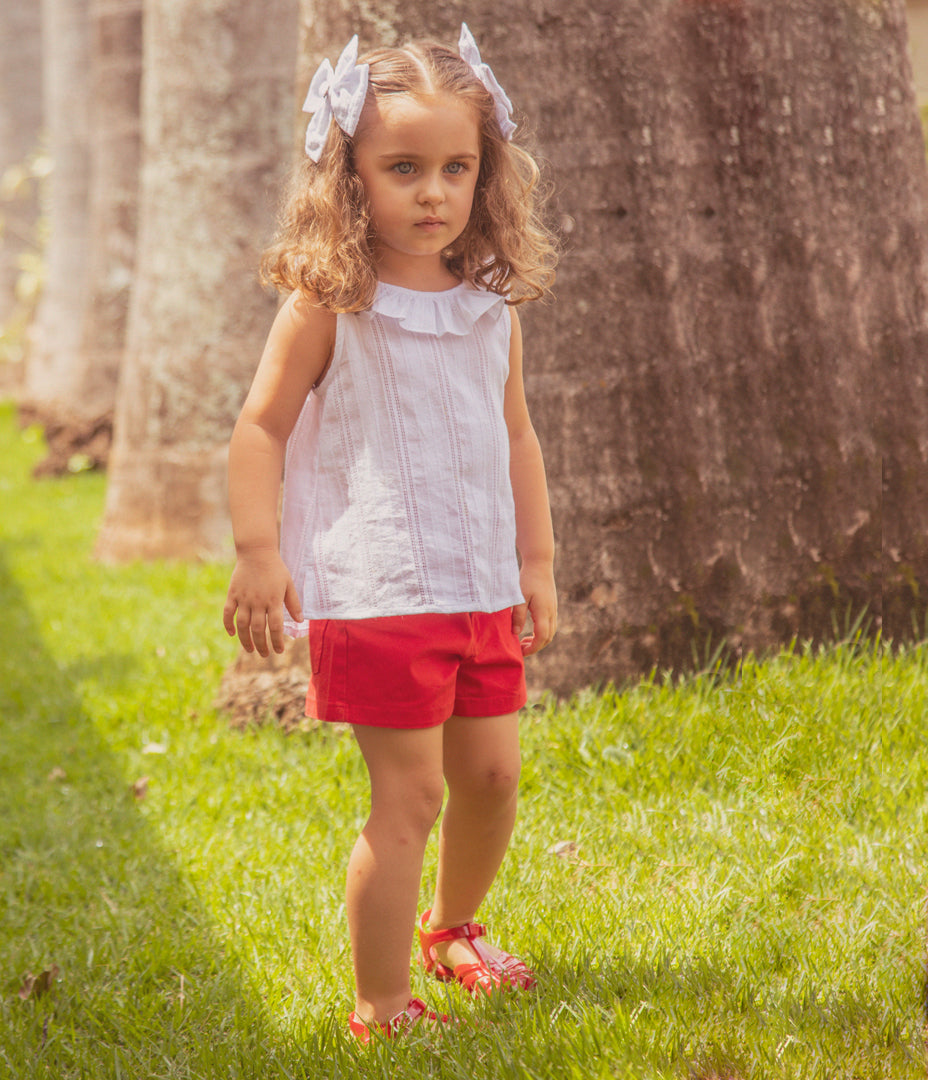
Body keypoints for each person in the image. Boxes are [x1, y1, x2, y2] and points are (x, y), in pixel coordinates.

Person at [223, 24, 558, 1043]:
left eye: (457, 167)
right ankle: (379, 1003)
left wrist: (536, 565)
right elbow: (260, 426)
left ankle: (453, 929)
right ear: (350, 175)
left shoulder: (485, 310)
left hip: (478, 582)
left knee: (493, 777)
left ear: (485, 173)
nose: (433, 192)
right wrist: (256, 550)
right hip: (381, 591)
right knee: (407, 799)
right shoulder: (333, 302)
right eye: (403, 167)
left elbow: (516, 436)